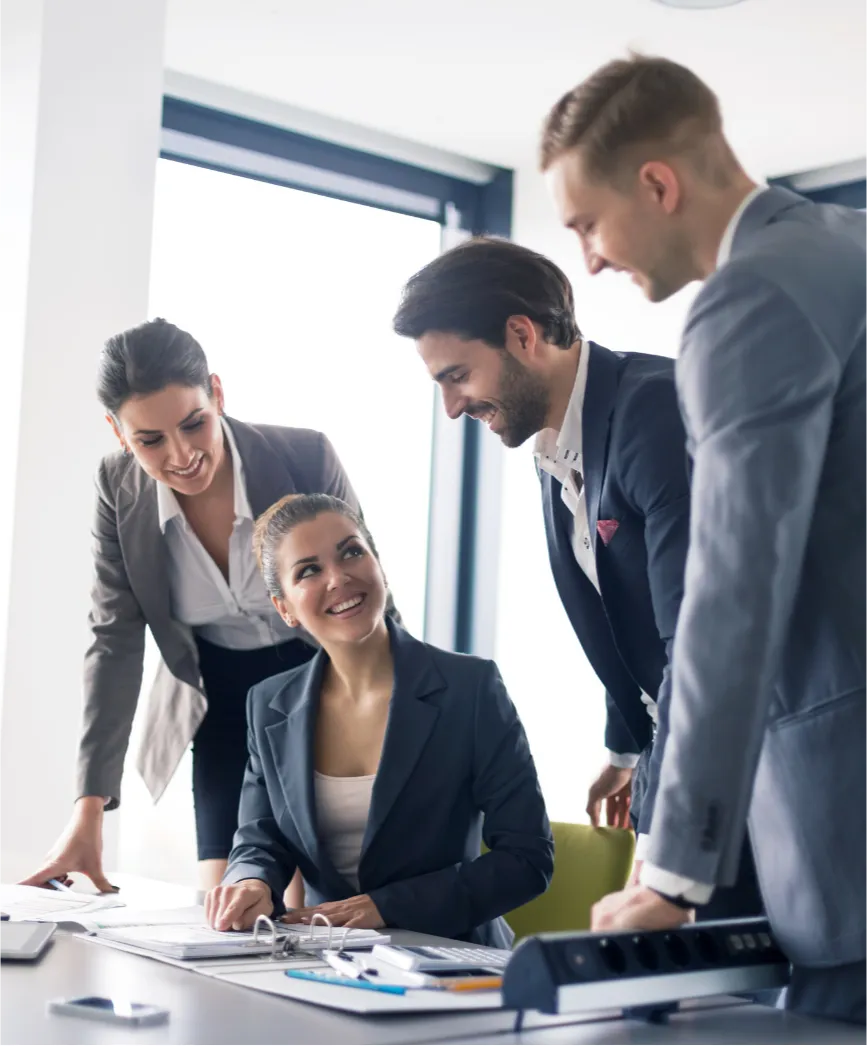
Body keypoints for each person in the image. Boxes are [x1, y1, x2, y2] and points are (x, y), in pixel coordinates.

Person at [540, 54, 867, 1023]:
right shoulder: (848, 247)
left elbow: (732, 592)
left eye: (586, 224)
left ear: (658, 183)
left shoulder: (749, 300)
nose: (590, 259)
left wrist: (673, 872)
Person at [391, 236, 761, 922]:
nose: (450, 406)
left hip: (746, 772)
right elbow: (621, 618)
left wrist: (672, 872)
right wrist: (623, 748)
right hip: (669, 757)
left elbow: (697, 640)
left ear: (521, 335)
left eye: (455, 376)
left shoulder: (653, 411)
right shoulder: (552, 450)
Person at [22, 318, 375, 895]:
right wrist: (88, 809)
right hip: (216, 697)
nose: (182, 455)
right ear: (117, 432)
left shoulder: (303, 455)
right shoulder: (118, 489)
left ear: (217, 392)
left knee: (311, 903)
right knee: (229, 908)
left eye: (194, 424)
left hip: (322, 684)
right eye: (150, 440)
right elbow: (113, 639)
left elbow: (364, 595)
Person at [205, 493, 553, 946]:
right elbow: (259, 839)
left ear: (378, 564)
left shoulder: (470, 688)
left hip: (451, 960)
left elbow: (527, 859)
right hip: (322, 958)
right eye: (308, 570)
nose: (339, 577)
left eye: (351, 551)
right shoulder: (269, 704)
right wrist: (251, 881)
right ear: (284, 607)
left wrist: (386, 907)